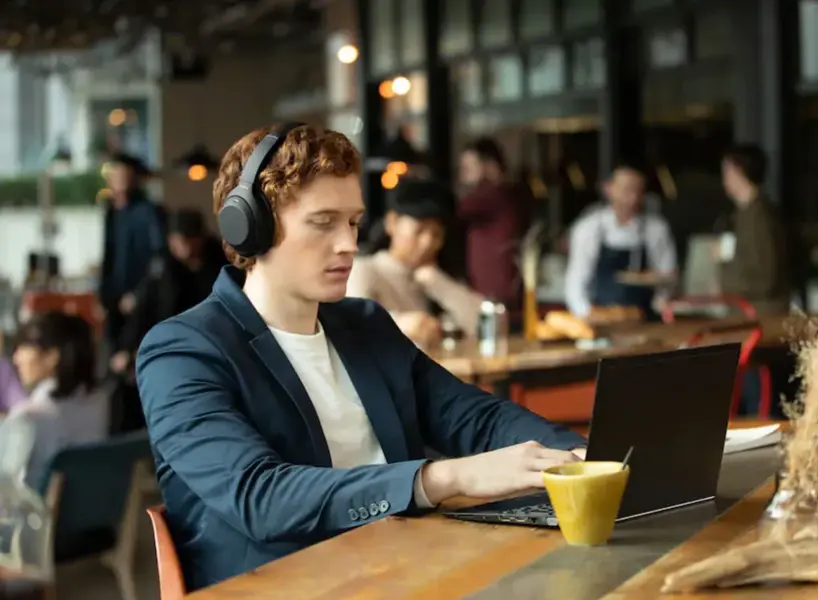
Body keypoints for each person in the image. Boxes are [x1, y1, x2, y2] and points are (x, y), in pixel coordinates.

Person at [135, 124, 587, 592]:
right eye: (323, 221)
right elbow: (260, 497)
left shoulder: (364, 325)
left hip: (406, 572)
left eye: (352, 222)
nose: (349, 243)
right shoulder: (182, 352)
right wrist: (444, 478)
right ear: (251, 226)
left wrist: (584, 458)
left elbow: (478, 419)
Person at [347, 180, 483, 347]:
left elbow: (485, 323)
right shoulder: (364, 269)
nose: (428, 242)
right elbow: (351, 326)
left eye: (436, 234)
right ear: (392, 223)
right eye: (420, 230)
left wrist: (438, 283)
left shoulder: (434, 277)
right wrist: (401, 324)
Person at [110, 208, 227, 374]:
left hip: (213, 342)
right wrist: (127, 348)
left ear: (201, 238)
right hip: (171, 342)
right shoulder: (163, 266)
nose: (182, 245)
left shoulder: (221, 263)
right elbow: (144, 307)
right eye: (177, 240)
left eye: (188, 238)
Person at [564, 162, 677, 321]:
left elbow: (667, 278)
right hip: (600, 318)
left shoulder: (656, 229)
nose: (633, 198)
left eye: (638, 191)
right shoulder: (588, 228)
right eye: (626, 190)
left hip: (646, 319)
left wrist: (660, 304)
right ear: (608, 189)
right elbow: (575, 284)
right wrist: (586, 314)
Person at [9, 312, 109, 489]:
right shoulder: (101, 403)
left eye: (23, 348)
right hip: (96, 513)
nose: (16, 358)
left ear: (51, 357)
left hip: (34, 514)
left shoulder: (27, 417)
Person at [98, 153, 167, 352]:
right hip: (113, 298)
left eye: (124, 174)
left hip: (141, 299)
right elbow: (108, 256)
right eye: (115, 174)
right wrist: (102, 296)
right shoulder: (111, 212)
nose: (118, 179)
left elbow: (159, 258)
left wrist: (138, 294)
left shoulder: (150, 211)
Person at [717, 144, 789, 316]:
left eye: (727, 171)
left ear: (739, 171)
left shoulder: (758, 216)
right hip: (749, 313)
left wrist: (725, 277)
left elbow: (765, 277)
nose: (724, 179)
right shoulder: (745, 213)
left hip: (759, 316)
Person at [457, 138, 528, 308]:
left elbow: (453, 209)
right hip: (499, 291)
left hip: (497, 295)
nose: (463, 174)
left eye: (469, 167)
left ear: (489, 166)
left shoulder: (495, 195)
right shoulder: (507, 194)